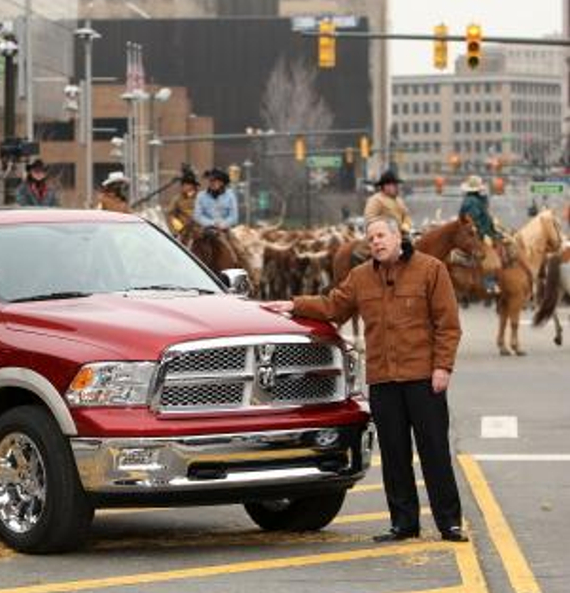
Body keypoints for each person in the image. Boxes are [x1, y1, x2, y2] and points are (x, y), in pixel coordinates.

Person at [262, 216, 468, 543]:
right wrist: (294, 304)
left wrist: (442, 367)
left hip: (423, 378)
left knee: (435, 452)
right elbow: (333, 306)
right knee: (394, 455)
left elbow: (448, 324)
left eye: (381, 235)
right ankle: (403, 524)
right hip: (383, 381)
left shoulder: (431, 270)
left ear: (398, 237)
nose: (376, 242)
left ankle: (449, 522)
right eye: (371, 238)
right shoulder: (360, 277)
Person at [364, 170, 412, 237]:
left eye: (394, 184)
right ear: (383, 186)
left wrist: (405, 226)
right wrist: (386, 227)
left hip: (400, 235)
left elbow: (406, 215)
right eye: (388, 184)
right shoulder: (375, 200)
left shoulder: (399, 200)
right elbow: (370, 219)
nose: (392, 187)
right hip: (381, 236)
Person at [193, 168, 238, 233]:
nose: (212, 183)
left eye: (215, 181)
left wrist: (223, 224)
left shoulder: (230, 196)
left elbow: (234, 217)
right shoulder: (201, 196)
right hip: (205, 230)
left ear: (222, 183)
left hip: (225, 230)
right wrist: (212, 223)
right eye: (210, 180)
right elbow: (197, 216)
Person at [166, 169, 200, 241]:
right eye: (184, 184)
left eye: (188, 184)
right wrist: (179, 228)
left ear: (193, 186)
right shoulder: (177, 199)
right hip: (184, 233)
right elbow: (170, 216)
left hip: (199, 232)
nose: (185, 187)